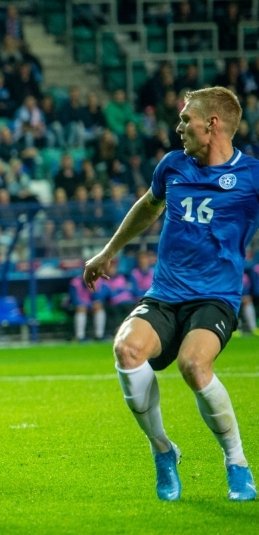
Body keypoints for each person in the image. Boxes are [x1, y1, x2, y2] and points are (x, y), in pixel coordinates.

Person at [84, 86, 259, 502]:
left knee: (194, 365)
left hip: (215, 298)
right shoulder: (172, 166)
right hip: (165, 294)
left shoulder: (251, 176)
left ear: (211, 124)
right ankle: (164, 451)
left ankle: (236, 463)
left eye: (186, 119)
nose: (178, 127)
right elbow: (149, 206)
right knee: (126, 350)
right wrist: (109, 251)